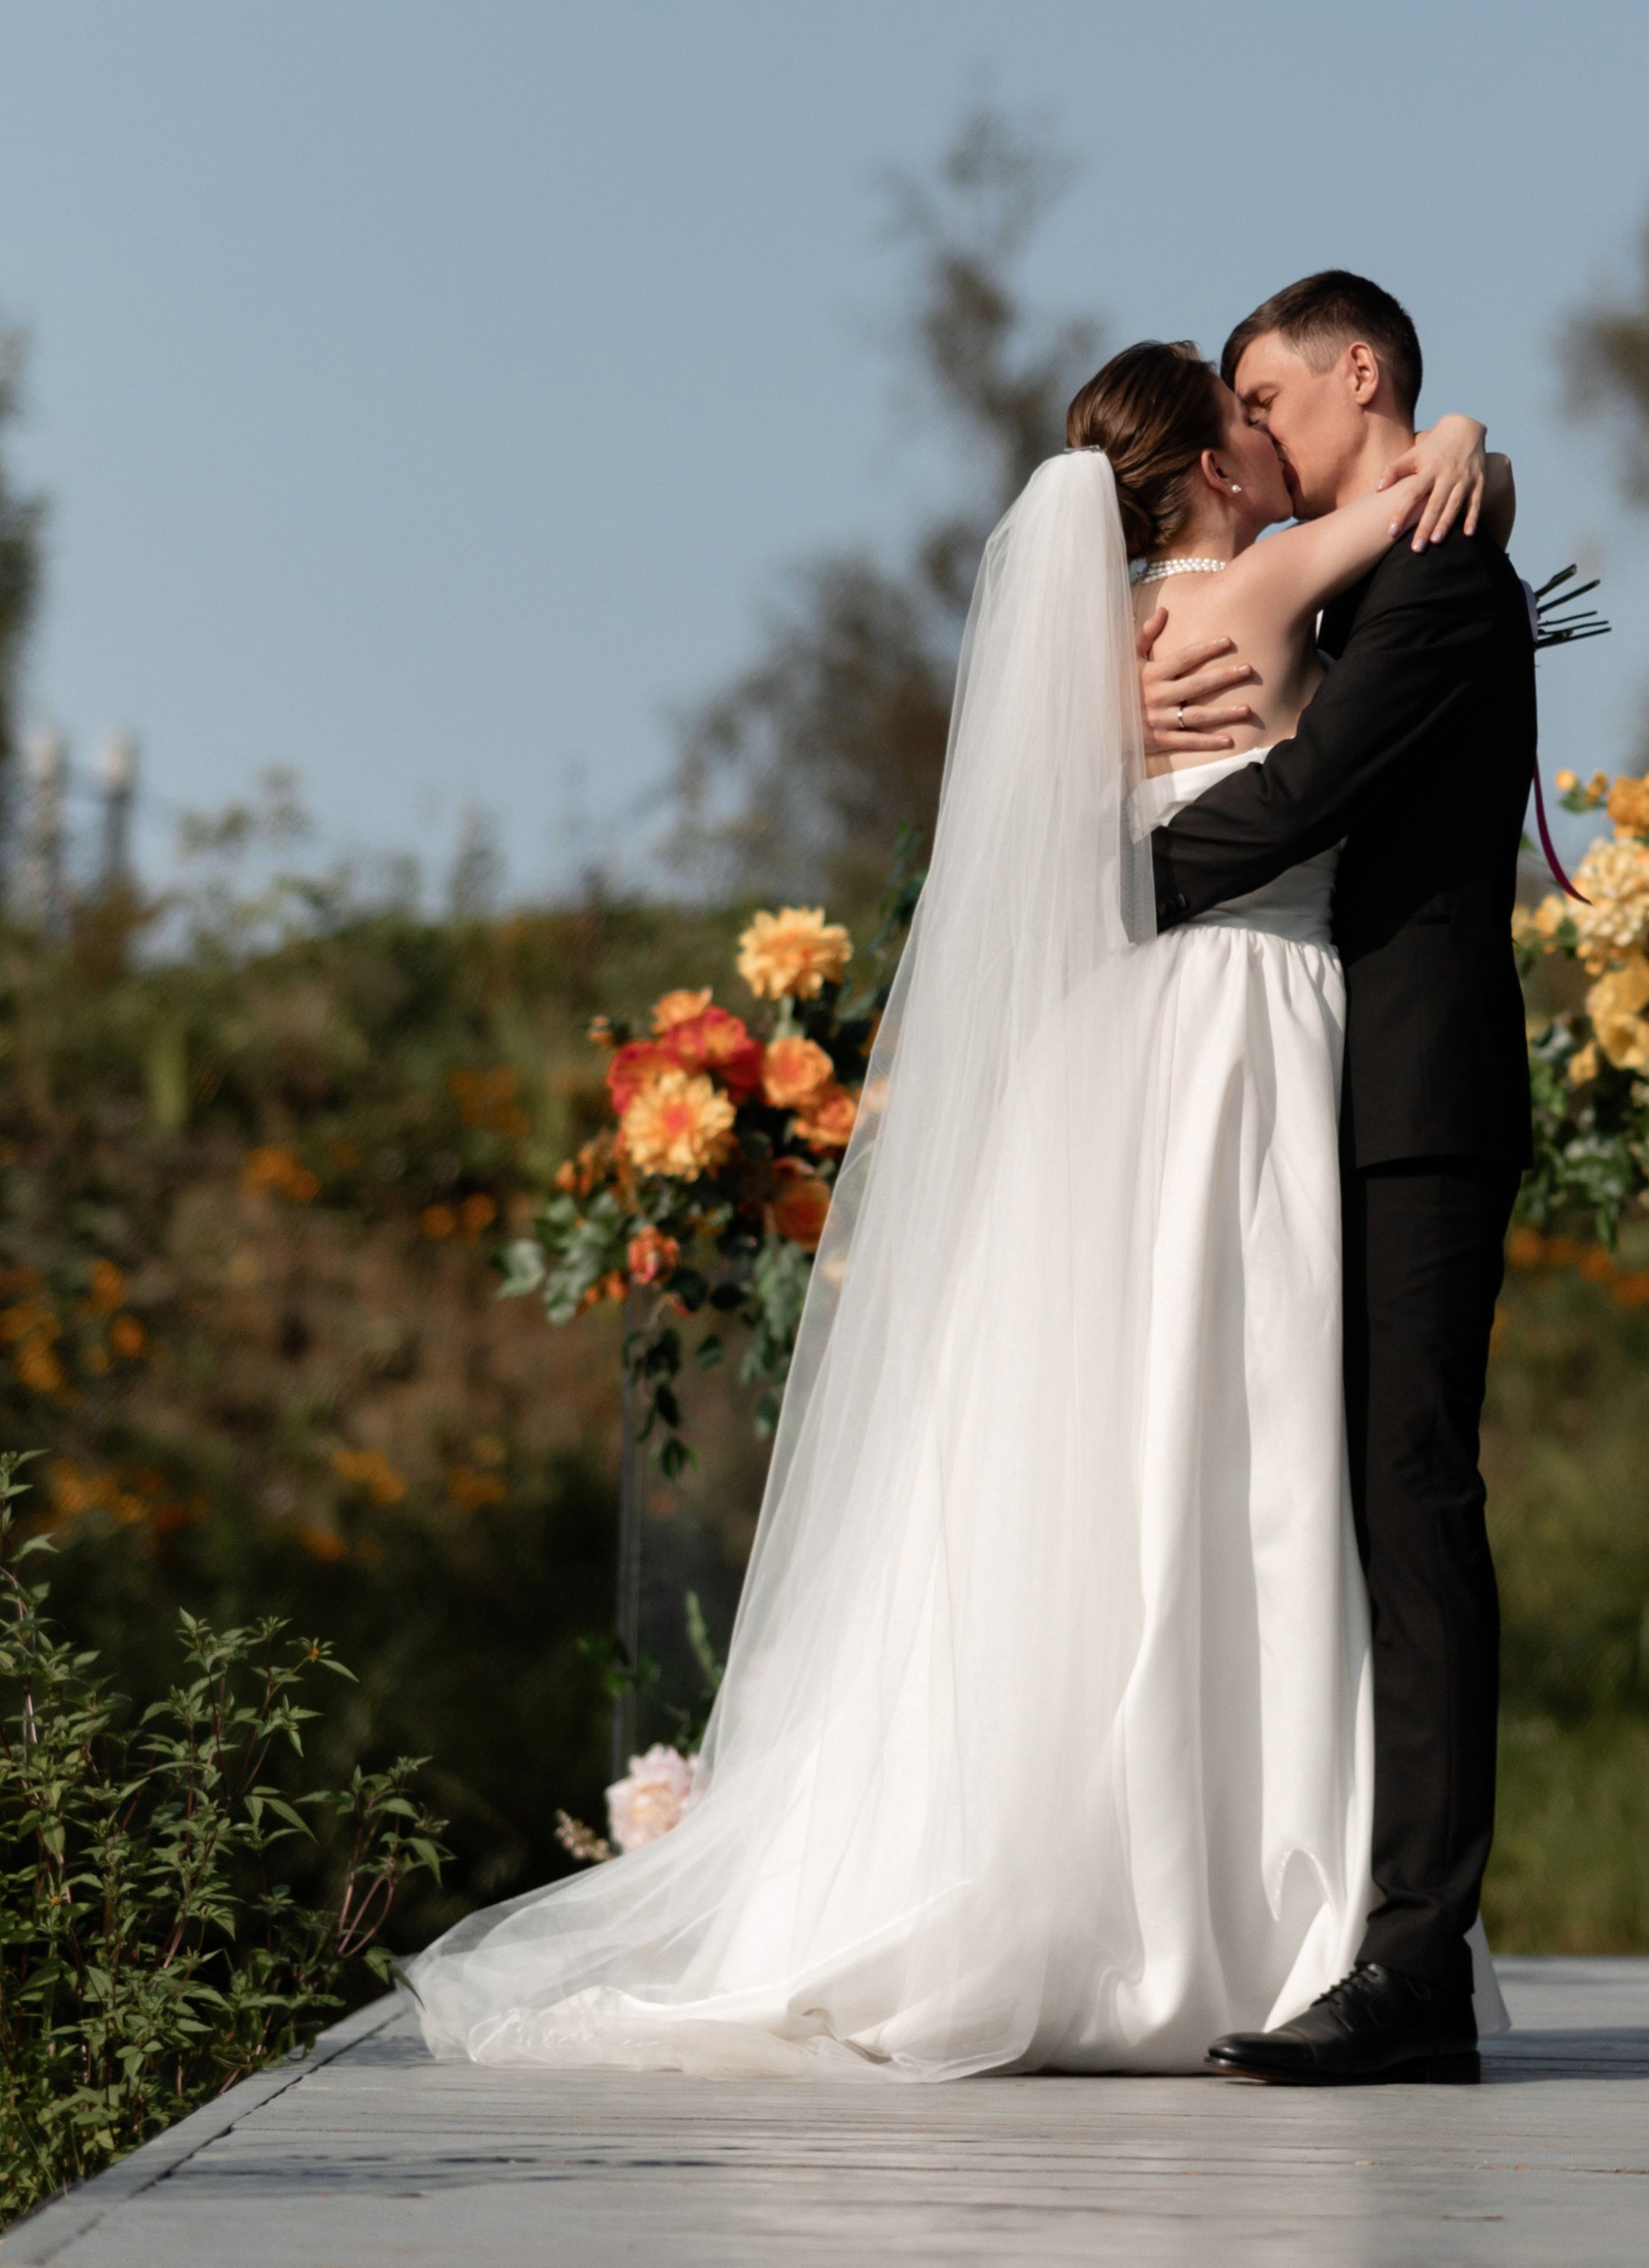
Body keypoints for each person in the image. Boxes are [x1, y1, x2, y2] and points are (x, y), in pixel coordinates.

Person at [403, 344, 1509, 2081]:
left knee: (1095, 1435)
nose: (1268, 435)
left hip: (1110, 1048)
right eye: (1245, 418)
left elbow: (1036, 826)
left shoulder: (1099, 641)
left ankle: (1065, 1868)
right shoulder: (1284, 572)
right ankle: (1234, 1901)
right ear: (1215, 470)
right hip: (1244, 1030)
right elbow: (1419, 513)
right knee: (1246, 1441)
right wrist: (1459, 440)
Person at [1138, 272, 1536, 2088]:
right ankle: (1341, 1927)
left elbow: (1310, 797)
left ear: (1357, 374)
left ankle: (1418, 1966)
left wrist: (1099, 883)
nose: (1253, 436)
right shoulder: (1403, 540)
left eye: (1270, 396)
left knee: (1411, 1504)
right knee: (1331, 1503)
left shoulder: (1443, 580)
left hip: (1417, 1104)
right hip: (1328, 1093)